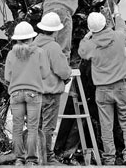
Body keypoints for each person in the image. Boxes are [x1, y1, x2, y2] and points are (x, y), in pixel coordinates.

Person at [77, 5, 126, 166]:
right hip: (122, 87)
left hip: (102, 90)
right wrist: (116, 11)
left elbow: (81, 51)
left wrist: (89, 34)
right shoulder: (118, 36)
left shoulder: (91, 45)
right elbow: (121, 25)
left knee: (106, 125)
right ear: (106, 23)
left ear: (92, 30)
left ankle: (109, 159)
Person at [4, 21, 50, 166]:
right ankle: (31, 160)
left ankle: (19, 159)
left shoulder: (11, 54)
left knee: (17, 128)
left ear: (17, 38)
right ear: (31, 37)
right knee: (32, 128)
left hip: (16, 94)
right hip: (33, 94)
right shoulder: (39, 52)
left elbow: (7, 77)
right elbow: (45, 73)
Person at [33, 12, 72, 165]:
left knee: (36, 126)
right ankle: (48, 157)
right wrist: (67, 75)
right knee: (48, 128)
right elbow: (62, 70)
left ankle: (35, 156)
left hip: (35, 93)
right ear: (56, 31)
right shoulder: (53, 47)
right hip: (50, 95)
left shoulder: (33, 45)